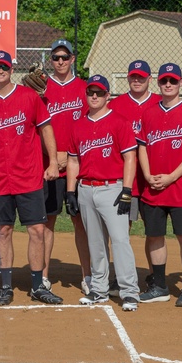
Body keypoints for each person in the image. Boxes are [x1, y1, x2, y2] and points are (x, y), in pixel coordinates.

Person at [0, 50, 62, 305]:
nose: (0, 70)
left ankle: (38, 285)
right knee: (3, 230)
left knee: (37, 229)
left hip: (28, 176)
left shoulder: (28, 97)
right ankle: (5, 286)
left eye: (4, 66)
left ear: (12, 70)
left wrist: (54, 162)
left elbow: (46, 127)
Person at [64, 75, 139, 311]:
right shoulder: (78, 125)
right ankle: (99, 289)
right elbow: (73, 161)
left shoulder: (119, 122)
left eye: (99, 93)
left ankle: (129, 292)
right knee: (95, 242)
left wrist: (127, 190)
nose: (94, 96)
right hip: (86, 188)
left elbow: (130, 157)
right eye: (90, 93)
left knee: (119, 241)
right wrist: (70, 192)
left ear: (108, 96)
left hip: (112, 188)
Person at [136, 63, 182, 308]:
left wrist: (171, 176)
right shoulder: (148, 113)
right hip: (153, 188)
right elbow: (142, 147)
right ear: (158, 83)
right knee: (155, 236)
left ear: (180, 83)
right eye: (165, 81)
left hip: (179, 189)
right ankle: (159, 286)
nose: (168, 85)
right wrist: (147, 174)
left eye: (173, 81)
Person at [39, 39, 91, 294]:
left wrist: (70, 156)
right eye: (55, 57)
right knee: (47, 221)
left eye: (64, 57)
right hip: (48, 167)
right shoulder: (42, 87)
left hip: (76, 166)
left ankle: (88, 276)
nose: (60, 61)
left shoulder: (84, 88)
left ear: (72, 59)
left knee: (80, 221)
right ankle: (44, 276)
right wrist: (52, 158)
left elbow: (92, 127)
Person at [107, 60, 161, 294]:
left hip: (152, 180)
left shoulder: (161, 103)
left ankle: (154, 277)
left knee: (154, 232)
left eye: (141, 76)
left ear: (150, 78)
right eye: (133, 76)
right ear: (127, 78)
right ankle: (121, 276)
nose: (137, 80)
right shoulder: (116, 105)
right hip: (124, 180)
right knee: (122, 232)